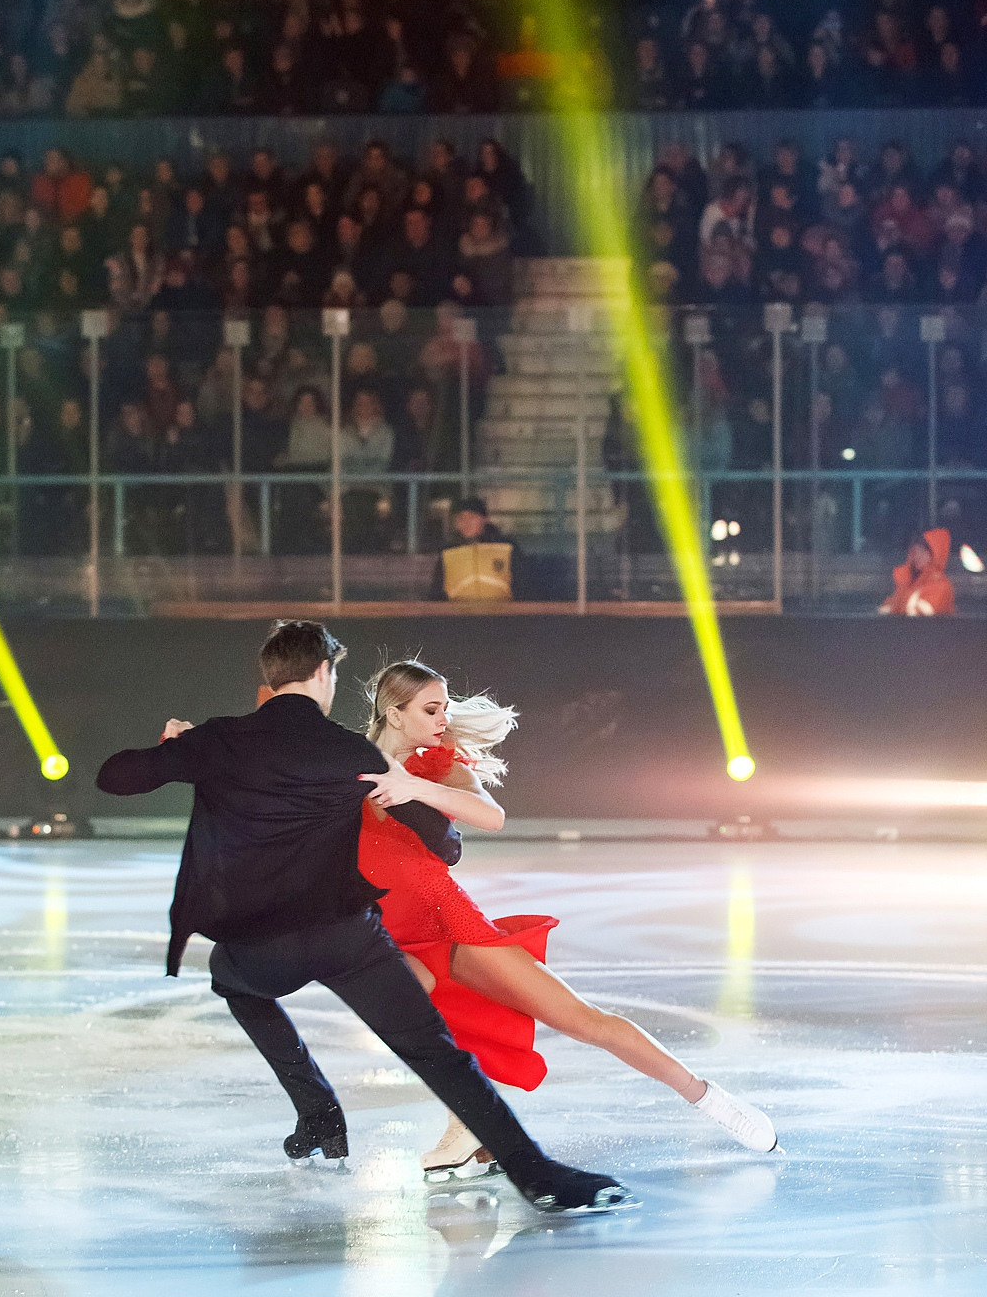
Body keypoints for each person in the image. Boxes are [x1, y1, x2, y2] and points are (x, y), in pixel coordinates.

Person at [97, 621, 633, 1213]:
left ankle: (319, 1113)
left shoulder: (222, 741)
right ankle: (537, 1176)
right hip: (347, 939)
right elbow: (444, 845)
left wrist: (177, 748)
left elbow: (115, 776)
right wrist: (414, 798)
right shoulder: (350, 753)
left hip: (260, 945)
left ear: (267, 680)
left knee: (232, 980)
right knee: (435, 1054)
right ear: (324, 675)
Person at [358, 661, 779, 1177]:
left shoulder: (438, 768)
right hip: (388, 934)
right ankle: (465, 1126)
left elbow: (492, 816)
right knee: (417, 1020)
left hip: (451, 927)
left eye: (445, 707)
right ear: (392, 713)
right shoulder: (346, 769)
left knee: (585, 1022)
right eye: (431, 709)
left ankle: (709, 1098)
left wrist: (415, 789)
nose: (443, 718)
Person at [430, 495, 522, 600]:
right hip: (458, 614)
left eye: (472, 517)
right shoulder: (448, 553)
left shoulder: (506, 547)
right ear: (455, 524)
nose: (466, 523)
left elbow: (523, 587)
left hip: (501, 614)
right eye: (460, 518)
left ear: (485, 519)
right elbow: (436, 593)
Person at [878, 528, 956, 615]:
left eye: (923, 552)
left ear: (935, 555)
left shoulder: (942, 586)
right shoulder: (907, 582)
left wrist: (900, 606)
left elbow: (924, 615)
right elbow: (885, 609)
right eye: (916, 551)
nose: (918, 556)